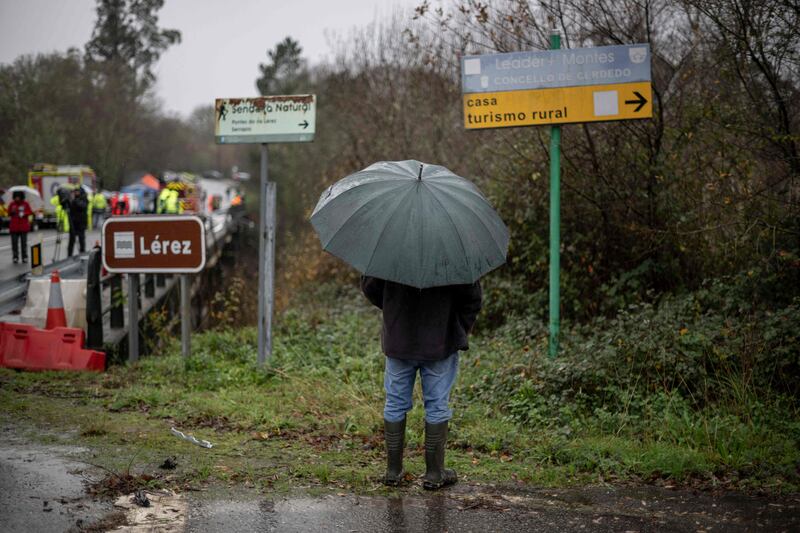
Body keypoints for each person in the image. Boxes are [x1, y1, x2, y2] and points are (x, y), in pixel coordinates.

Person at [360, 276, 482, 490]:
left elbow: (370, 286)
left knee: (395, 403)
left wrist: (394, 310)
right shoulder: (452, 255)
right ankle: (435, 474)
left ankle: (393, 472)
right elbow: (471, 298)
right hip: (440, 340)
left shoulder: (391, 248)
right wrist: (457, 326)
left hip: (399, 339)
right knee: (437, 405)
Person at [8, 190, 33, 263]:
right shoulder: (12, 204)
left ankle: (24, 257)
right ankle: (15, 257)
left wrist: (24, 214)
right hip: (14, 227)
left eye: (18, 197)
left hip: (23, 226)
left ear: (21, 197)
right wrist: (12, 212)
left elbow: (30, 211)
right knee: (14, 243)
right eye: (16, 197)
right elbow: (8, 212)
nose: (17, 198)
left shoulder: (25, 204)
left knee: (23, 243)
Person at [66, 187, 89, 256]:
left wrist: (74, 200)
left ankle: (82, 254)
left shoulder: (84, 199)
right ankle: (69, 255)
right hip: (73, 223)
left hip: (81, 223)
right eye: (75, 192)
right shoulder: (73, 199)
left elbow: (82, 206)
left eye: (77, 192)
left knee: (81, 240)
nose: (75, 193)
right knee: (71, 241)